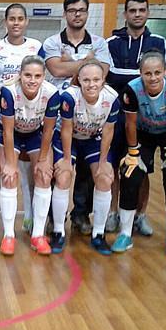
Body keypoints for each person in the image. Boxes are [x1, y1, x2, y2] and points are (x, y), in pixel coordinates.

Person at [43, 0, 110, 236]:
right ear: (65, 13)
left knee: (86, 171)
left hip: (90, 117)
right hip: (57, 117)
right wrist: (87, 62)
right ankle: (53, 217)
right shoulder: (51, 42)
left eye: (81, 10)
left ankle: (81, 215)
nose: (77, 14)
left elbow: (101, 73)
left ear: (87, 13)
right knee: (57, 170)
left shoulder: (100, 43)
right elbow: (55, 68)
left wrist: (72, 64)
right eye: (72, 10)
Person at [113, 51, 166, 258]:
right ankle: (125, 234)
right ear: (140, 74)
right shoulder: (131, 90)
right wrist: (133, 152)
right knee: (130, 175)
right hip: (143, 133)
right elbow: (130, 123)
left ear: (165, 71)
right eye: (148, 73)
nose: (153, 77)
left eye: (158, 72)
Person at [105, 0, 166, 237]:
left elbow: (161, 76)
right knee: (114, 166)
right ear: (126, 14)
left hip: (147, 120)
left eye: (142, 10)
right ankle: (112, 212)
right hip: (118, 116)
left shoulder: (159, 41)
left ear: (148, 12)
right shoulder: (112, 42)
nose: (137, 14)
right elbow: (110, 76)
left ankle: (140, 216)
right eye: (132, 10)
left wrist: (126, 76)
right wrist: (137, 76)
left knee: (141, 169)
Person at [53, 60, 119, 255]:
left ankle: (98, 234)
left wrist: (103, 163)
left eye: (96, 80)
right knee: (64, 176)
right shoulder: (69, 97)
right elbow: (66, 129)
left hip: (93, 138)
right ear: (78, 81)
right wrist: (66, 160)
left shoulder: (112, 98)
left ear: (103, 80)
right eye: (87, 80)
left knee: (105, 179)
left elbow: (108, 131)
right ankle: (58, 231)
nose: (91, 84)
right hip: (69, 138)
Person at [0, 3, 46, 235]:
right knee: (8, 170)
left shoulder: (36, 47)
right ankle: (1, 224)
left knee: (32, 171)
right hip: (4, 115)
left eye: (20, 18)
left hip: (32, 116)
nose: (16, 22)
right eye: (11, 18)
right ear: (5, 22)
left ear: (26, 22)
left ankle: (32, 218)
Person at [0, 56, 60, 255]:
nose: (32, 80)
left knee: (43, 175)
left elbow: (49, 130)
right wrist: (9, 163)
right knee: (9, 177)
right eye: (27, 75)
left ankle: (38, 235)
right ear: (20, 75)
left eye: (37, 76)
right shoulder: (8, 91)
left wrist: (42, 160)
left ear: (44, 77)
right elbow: (7, 131)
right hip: (11, 133)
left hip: (36, 133)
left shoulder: (51, 93)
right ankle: (8, 236)